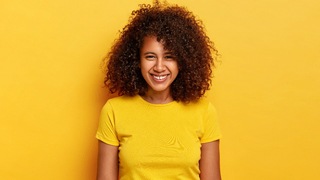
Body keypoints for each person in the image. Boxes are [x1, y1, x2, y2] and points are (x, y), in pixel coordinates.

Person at [96, 1, 221, 179]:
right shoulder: (114, 111)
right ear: (137, 60)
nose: (159, 67)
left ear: (183, 61)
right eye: (150, 56)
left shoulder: (204, 112)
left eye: (169, 57)